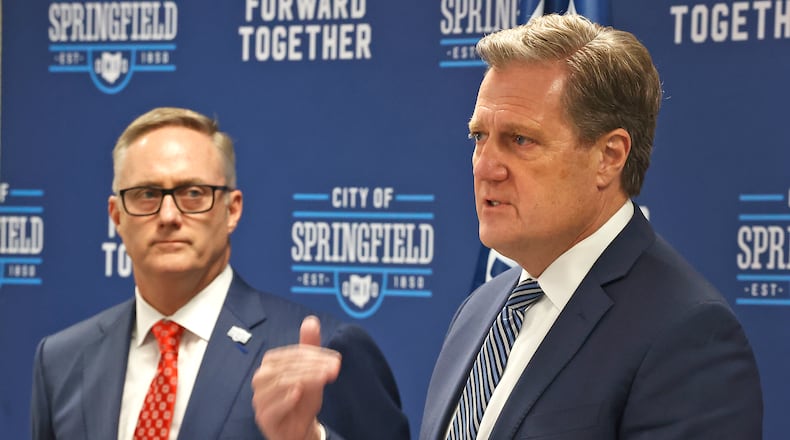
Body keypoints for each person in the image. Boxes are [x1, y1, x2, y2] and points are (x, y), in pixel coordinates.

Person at [419, 13, 763, 440]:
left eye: (520, 140)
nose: (485, 167)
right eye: (479, 138)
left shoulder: (689, 338)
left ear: (609, 157)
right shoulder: (479, 311)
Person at [30, 107, 410, 440]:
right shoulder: (62, 360)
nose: (168, 217)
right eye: (146, 194)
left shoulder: (320, 350)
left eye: (193, 193)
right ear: (116, 216)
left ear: (232, 210)